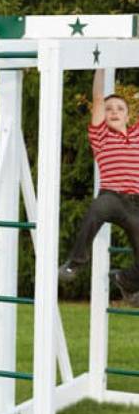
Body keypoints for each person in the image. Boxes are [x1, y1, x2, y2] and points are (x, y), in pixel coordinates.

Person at [60, 69, 139, 304]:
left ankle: (126, 280)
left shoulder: (137, 134)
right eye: (109, 109)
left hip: (136, 203)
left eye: (120, 109)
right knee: (97, 210)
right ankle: (75, 264)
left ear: (128, 116)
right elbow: (97, 97)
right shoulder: (101, 136)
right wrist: (101, 66)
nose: (114, 112)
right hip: (111, 197)